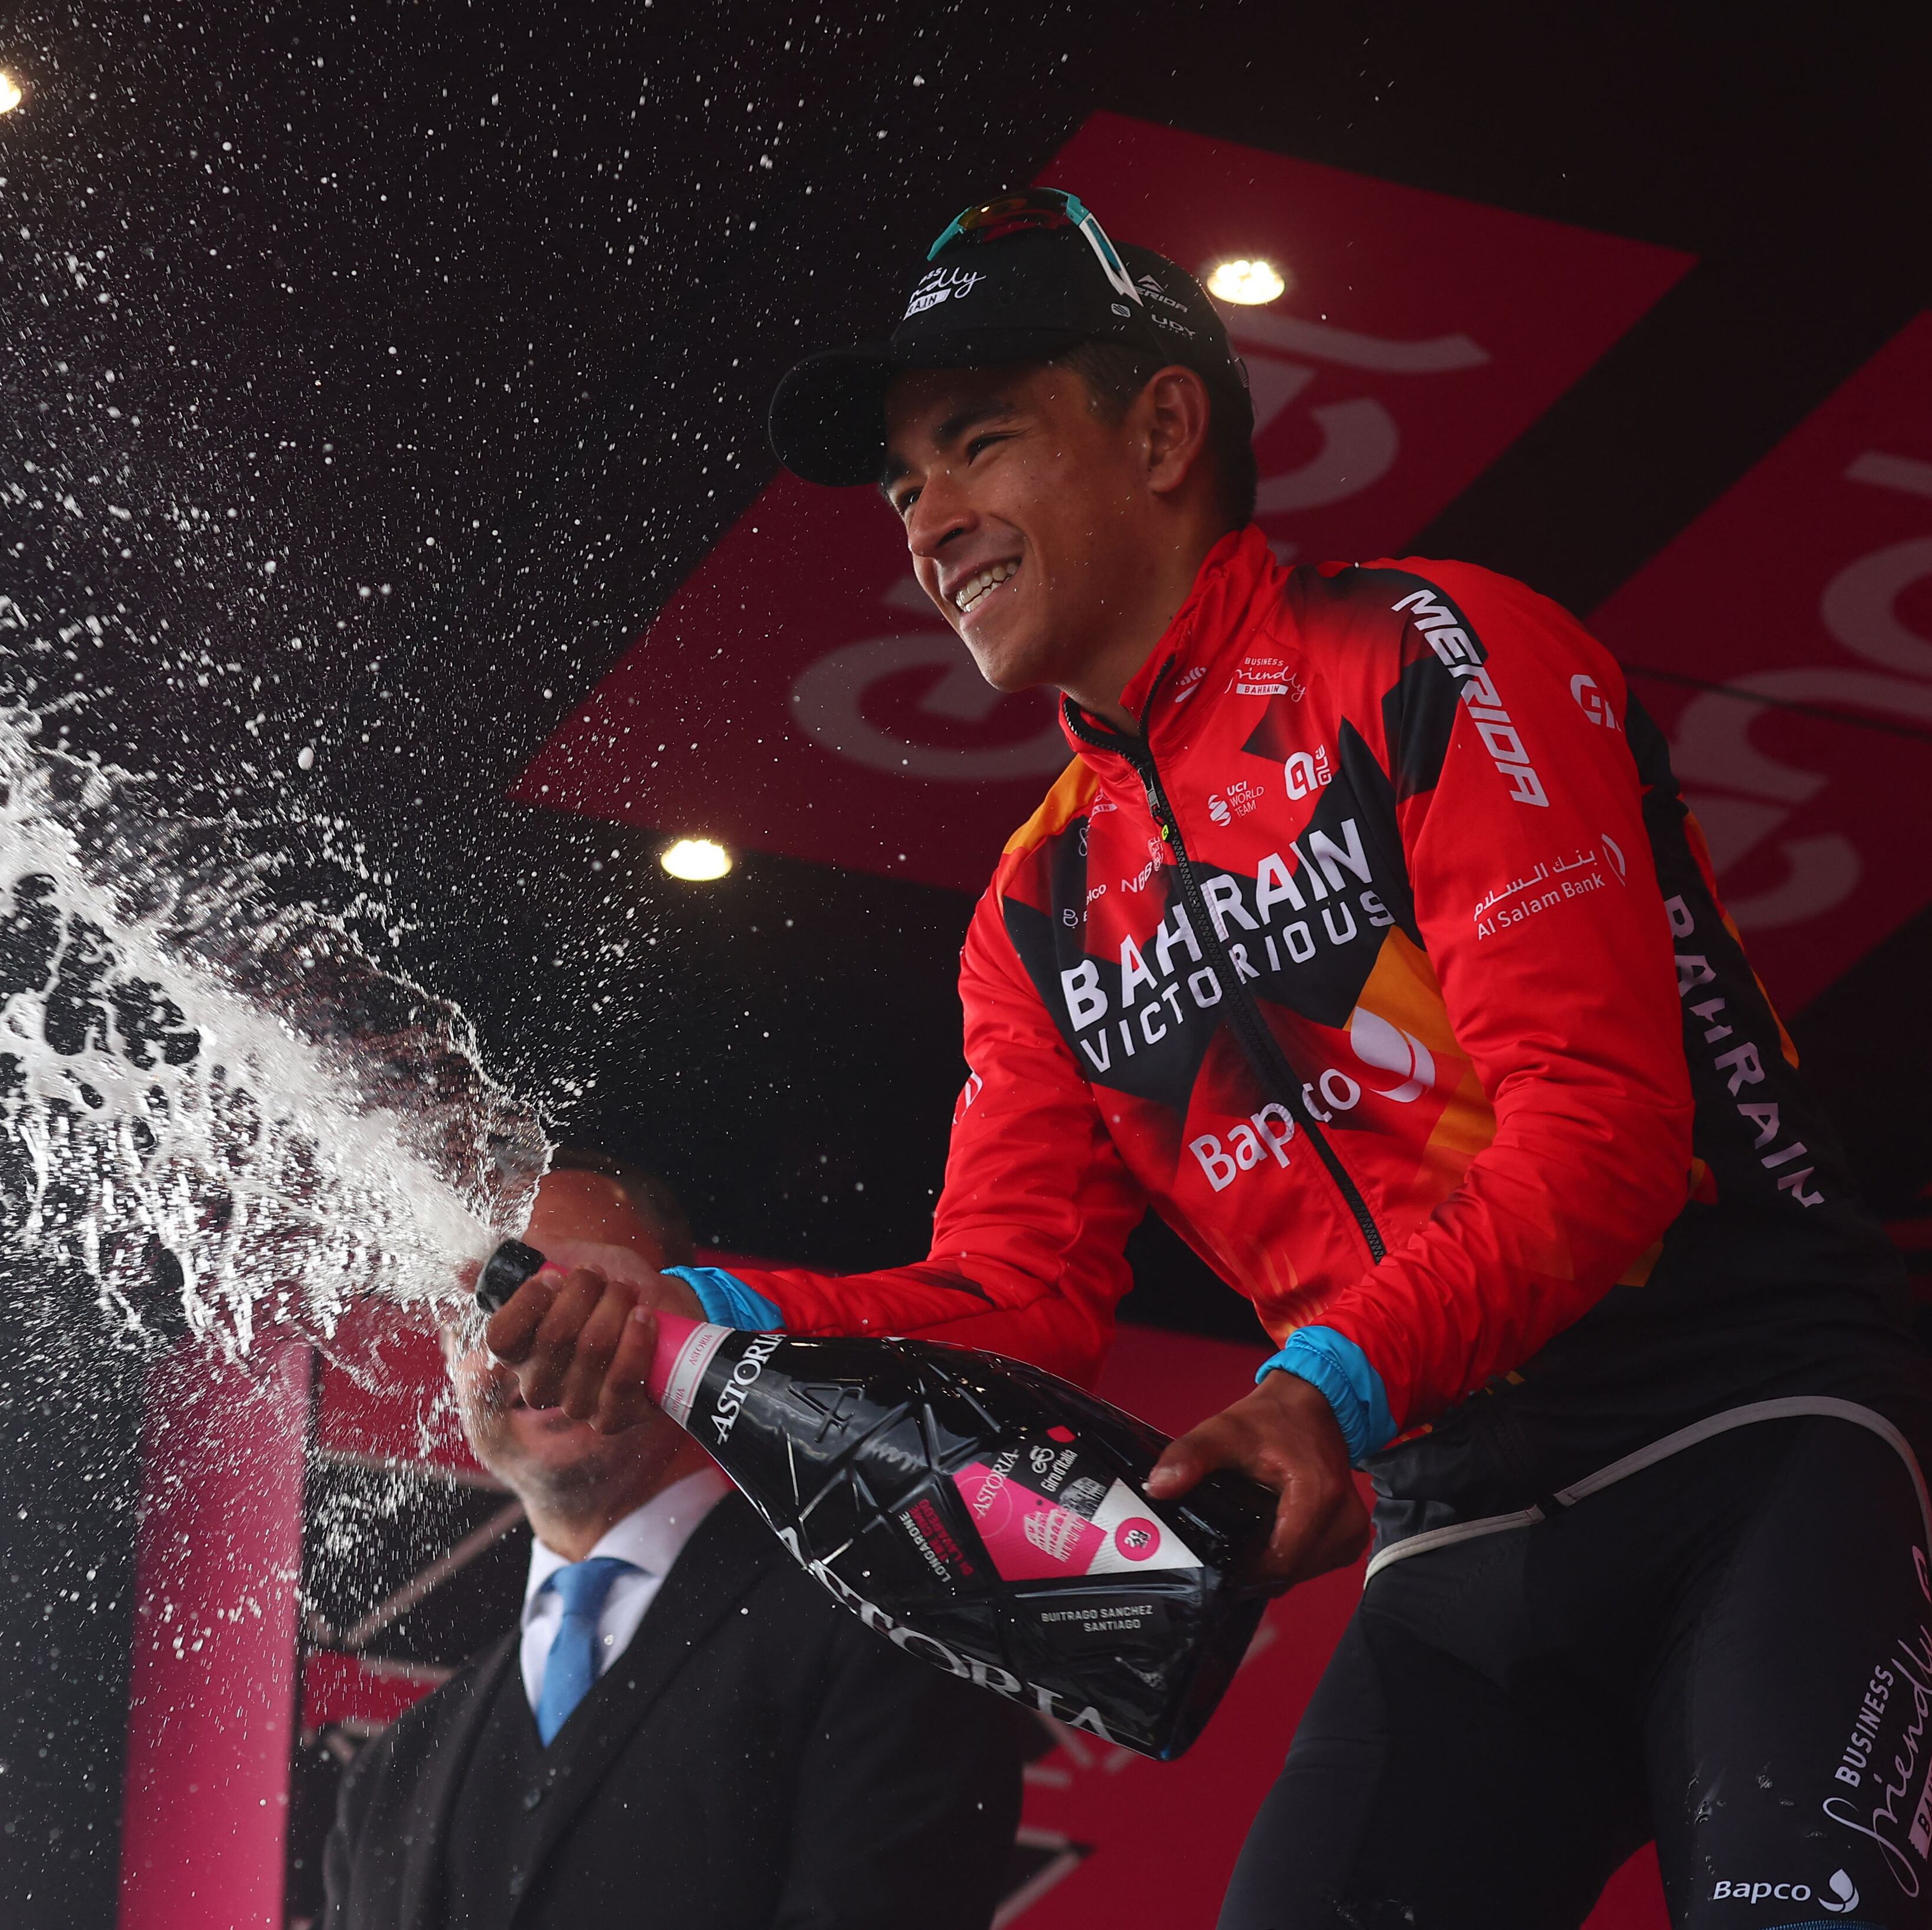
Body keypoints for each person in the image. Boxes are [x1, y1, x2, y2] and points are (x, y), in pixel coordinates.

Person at [486, 189, 1932, 1929]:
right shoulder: (1036, 899)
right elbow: (1019, 1295)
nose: (929, 521)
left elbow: (1607, 1136)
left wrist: (1322, 1384)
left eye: (978, 444)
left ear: (1165, 426)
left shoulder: (1431, 652)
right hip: (1460, 1508)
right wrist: (683, 1310)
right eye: (903, 487)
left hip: (1753, 1419)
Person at [321, 1150, 1023, 1930]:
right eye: (477, 1308)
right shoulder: (387, 1779)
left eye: (580, 1288)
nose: (525, 1337)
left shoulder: (884, 1625)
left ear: (690, 1315)